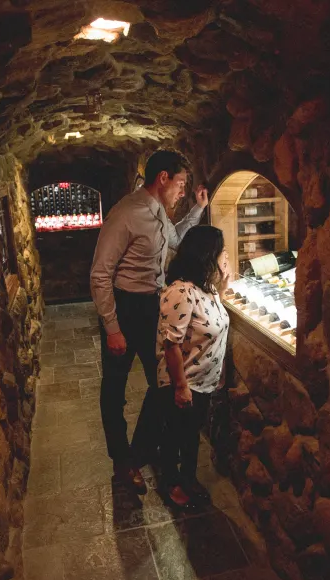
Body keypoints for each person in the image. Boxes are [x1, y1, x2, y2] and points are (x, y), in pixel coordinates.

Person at [90, 150, 209, 494]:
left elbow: (175, 241)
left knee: (163, 384)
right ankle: (122, 463)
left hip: (153, 306)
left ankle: (142, 451)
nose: (182, 192)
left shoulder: (158, 213)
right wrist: (113, 327)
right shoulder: (126, 215)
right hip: (124, 309)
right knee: (114, 390)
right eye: (181, 184)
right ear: (163, 179)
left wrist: (199, 210)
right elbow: (100, 274)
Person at [155, 225, 232, 509]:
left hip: (204, 381)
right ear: (206, 255)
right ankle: (171, 484)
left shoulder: (206, 288)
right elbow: (171, 344)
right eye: (221, 251)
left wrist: (223, 280)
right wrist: (180, 387)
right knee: (175, 435)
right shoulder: (180, 292)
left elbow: (214, 319)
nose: (225, 255)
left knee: (190, 436)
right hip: (183, 381)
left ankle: (187, 479)